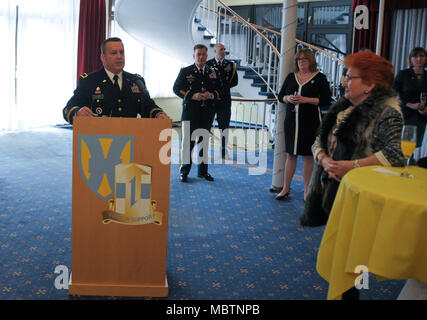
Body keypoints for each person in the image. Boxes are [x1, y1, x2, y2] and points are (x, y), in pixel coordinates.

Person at [300, 51, 405, 229]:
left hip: (362, 193)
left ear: (370, 85)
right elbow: (318, 141)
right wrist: (325, 161)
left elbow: (395, 154)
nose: (343, 83)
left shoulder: (387, 113)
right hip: (332, 186)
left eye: (349, 78)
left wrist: (349, 166)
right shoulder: (342, 108)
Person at [63, 37, 169, 124]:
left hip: (131, 140)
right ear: (103, 57)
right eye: (113, 53)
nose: (119, 56)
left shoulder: (136, 81)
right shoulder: (89, 81)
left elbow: (148, 106)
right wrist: (77, 112)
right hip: (100, 141)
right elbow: (68, 109)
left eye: (121, 52)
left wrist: (158, 114)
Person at [276, 48, 332, 201]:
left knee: (307, 157)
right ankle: (285, 188)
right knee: (290, 155)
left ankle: (307, 190)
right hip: (292, 122)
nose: (301, 62)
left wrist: (306, 99)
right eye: (299, 59)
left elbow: (326, 100)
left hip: (311, 122)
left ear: (311, 61)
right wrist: (288, 98)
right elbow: (281, 96)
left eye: (304, 59)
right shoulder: (291, 76)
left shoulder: (320, 78)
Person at [173, 44, 222, 182]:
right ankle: (184, 171)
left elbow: (221, 90)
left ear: (207, 56)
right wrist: (191, 95)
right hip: (190, 113)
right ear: (194, 56)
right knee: (187, 144)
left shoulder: (213, 72)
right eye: (198, 54)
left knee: (203, 143)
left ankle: (202, 172)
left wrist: (212, 94)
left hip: (207, 113)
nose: (201, 57)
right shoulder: (185, 71)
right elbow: (176, 88)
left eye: (203, 54)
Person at [206, 43, 238, 159]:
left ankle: (223, 151)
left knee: (224, 127)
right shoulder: (208, 64)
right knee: (206, 126)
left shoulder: (230, 65)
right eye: (221, 49)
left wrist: (223, 87)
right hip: (211, 101)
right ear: (215, 51)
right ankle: (203, 150)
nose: (223, 51)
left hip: (224, 101)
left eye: (224, 49)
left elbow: (234, 81)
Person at [393, 47, 427, 149]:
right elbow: (394, 94)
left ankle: (409, 162)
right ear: (411, 59)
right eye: (415, 56)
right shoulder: (403, 74)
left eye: (422, 56)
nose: (419, 59)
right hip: (405, 114)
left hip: (421, 117)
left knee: (413, 145)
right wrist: (410, 104)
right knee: (401, 144)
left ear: (426, 59)